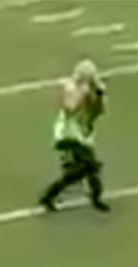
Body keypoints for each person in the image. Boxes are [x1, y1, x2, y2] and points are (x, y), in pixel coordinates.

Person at [40, 59, 109, 212]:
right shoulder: (71, 88)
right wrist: (82, 94)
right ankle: (51, 194)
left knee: (86, 171)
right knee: (90, 166)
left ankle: (94, 196)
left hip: (83, 133)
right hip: (68, 133)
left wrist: (98, 97)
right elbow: (70, 108)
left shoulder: (94, 90)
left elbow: (99, 112)